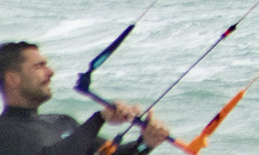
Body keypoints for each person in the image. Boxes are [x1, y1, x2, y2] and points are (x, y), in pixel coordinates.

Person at [0, 42, 169, 155]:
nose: (51, 72)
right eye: (39, 66)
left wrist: (146, 143)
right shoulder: (5, 131)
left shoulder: (61, 122)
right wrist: (100, 118)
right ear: (13, 79)